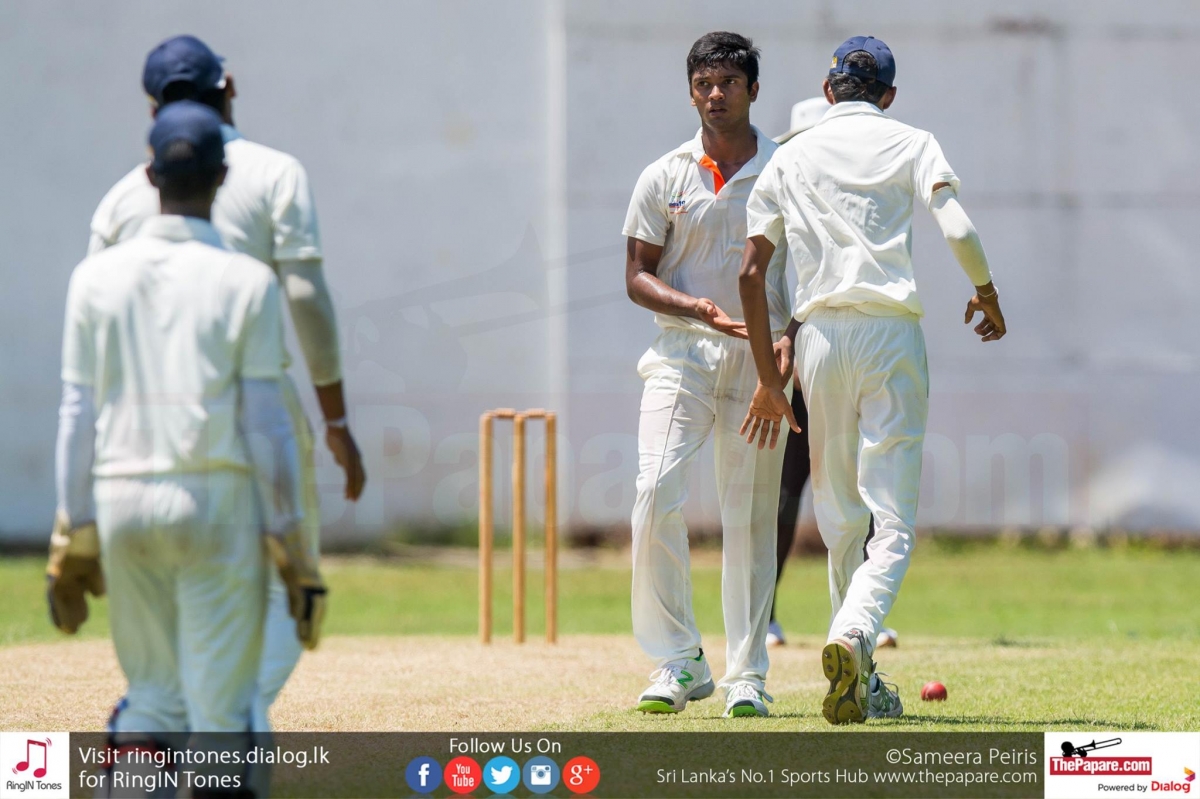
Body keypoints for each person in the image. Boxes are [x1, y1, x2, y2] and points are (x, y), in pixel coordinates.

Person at [87, 35, 365, 729]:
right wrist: (335, 419)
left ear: (151, 108)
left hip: (138, 435)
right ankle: (218, 723)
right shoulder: (273, 173)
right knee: (284, 590)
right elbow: (305, 296)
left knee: (161, 617)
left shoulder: (120, 198)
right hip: (250, 407)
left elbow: (89, 360)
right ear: (229, 87)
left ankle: (160, 718)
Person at [738, 36, 1006, 724]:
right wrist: (986, 292)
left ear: (829, 91)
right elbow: (957, 227)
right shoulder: (911, 141)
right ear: (888, 96)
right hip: (889, 334)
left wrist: (769, 376)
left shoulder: (790, 154)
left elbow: (750, 272)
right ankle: (854, 631)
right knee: (891, 520)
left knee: (839, 516)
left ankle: (859, 674)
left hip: (820, 338)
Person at [48, 101, 306, 765]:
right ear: (222, 178)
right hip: (216, 500)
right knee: (223, 711)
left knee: (153, 700)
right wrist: (290, 540)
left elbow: (77, 412)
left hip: (123, 499)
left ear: (148, 175)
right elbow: (266, 421)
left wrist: (74, 532)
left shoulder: (92, 279)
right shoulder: (249, 281)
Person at [624, 32, 795, 718]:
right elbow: (637, 275)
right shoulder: (664, 174)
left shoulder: (785, 169)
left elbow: (814, 270)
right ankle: (679, 658)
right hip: (681, 354)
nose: (715, 94)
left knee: (749, 516)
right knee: (654, 489)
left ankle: (746, 674)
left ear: (754, 89)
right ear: (691, 92)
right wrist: (693, 306)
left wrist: (786, 348)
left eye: (728, 82)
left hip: (762, 365)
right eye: (703, 84)